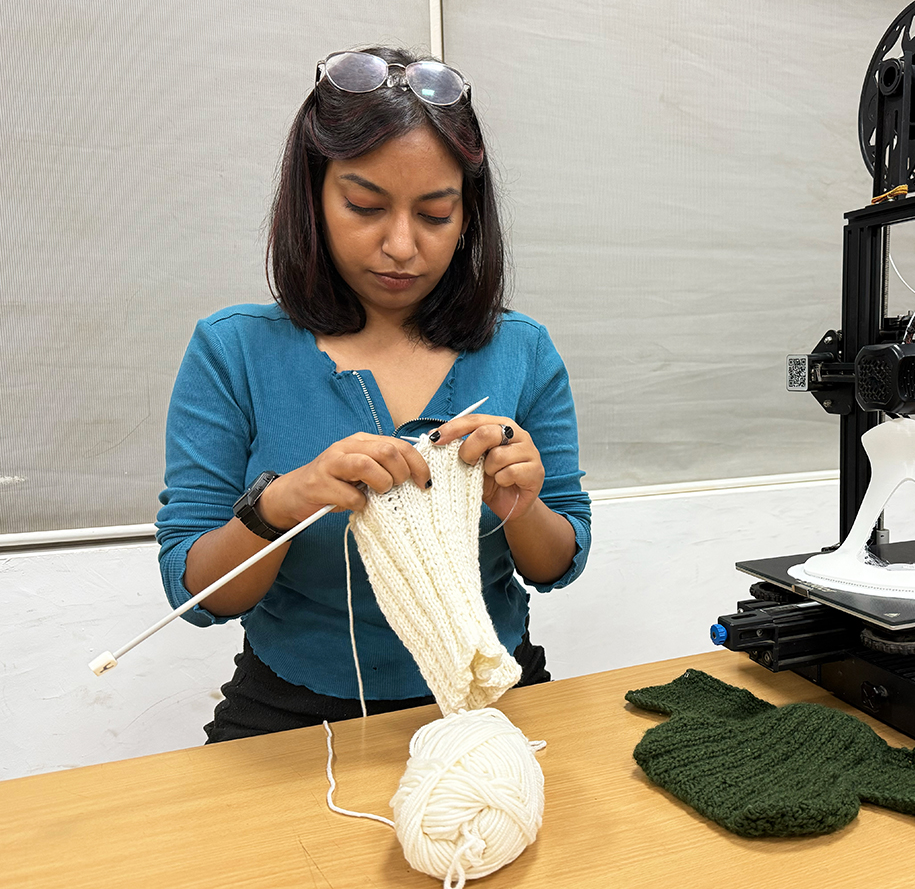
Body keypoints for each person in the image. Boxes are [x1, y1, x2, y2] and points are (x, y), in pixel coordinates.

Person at [156, 47, 591, 742]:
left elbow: (557, 565)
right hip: (292, 717)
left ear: (469, 217)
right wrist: (280, 504)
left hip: (488, 696)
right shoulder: (234, 349)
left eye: (435, 214)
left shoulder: (520, 350)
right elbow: (196, 594)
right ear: (313, 199)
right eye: (364, 206)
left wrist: (521, 502)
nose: (400, 245)